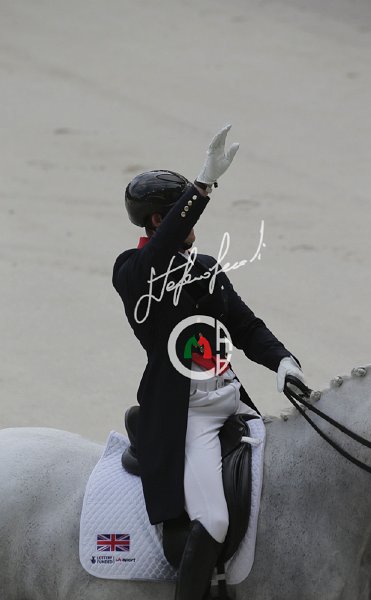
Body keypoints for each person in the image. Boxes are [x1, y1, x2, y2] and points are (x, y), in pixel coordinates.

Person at [112, 125, 305, 600]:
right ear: (159, 220)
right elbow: (159, 253)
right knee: (214, 519)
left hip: (232, 402)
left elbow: (246, 327)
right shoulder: (133, 273)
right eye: (181, 212)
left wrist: (283, 361)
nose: (192, 221)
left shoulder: (205, 269)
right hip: (189, 416)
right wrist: (201, 187)